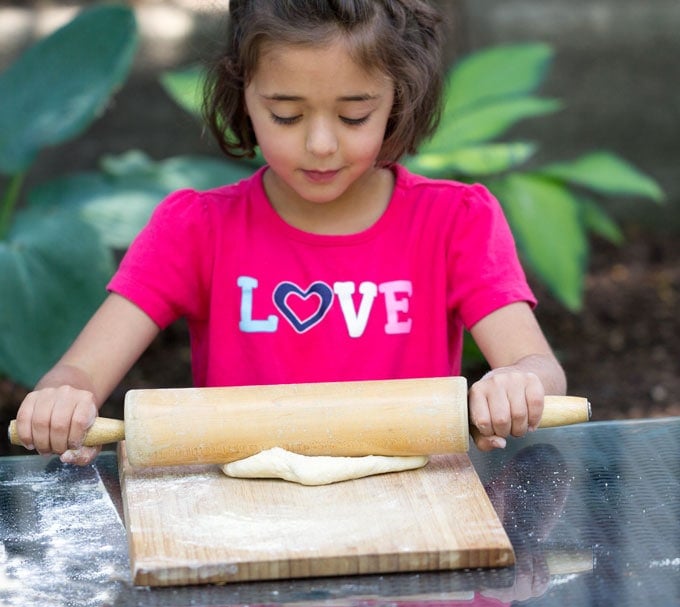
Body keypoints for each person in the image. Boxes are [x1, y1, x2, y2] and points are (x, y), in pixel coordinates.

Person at [14, 0, 566, 466]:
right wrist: (63, 401)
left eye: (354, 116)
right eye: (286, 115)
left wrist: (518, 385)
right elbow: (79, 371)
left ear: (400, 97)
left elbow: (542, 372)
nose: (321, 144)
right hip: (245, 521)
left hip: (415, 509)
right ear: (243, 96)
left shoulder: (454, 223)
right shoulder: (197, 230)